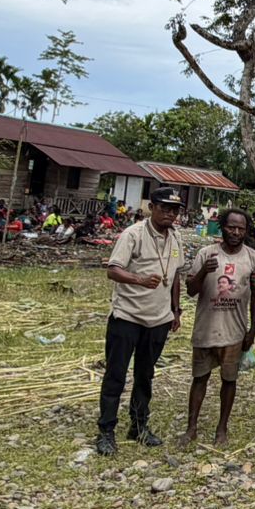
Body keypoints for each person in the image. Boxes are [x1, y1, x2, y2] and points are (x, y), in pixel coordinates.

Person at [94, 185, 188, 455]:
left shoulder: (175, 237)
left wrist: (176, 310)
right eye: (165, 208)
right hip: (128, 315)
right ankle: (106, 430)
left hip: (158, 318)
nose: (171, 214)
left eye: (175, 210)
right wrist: (140, 280)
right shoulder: (132, 234)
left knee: (145, 375)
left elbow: (175, 275)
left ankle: (138, 425)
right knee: (116, 374)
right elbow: (113, 270)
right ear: (152, 208)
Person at [183, 207, 255, 447]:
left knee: (229, 380)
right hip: (206, 329)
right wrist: (202, 273)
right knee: (199, 378)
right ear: (222, 227)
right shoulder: (206, 254)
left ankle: (222, 428)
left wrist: (253, 330)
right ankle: (191, 428)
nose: (236, 232)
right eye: (231, 227)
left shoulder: (253, 258)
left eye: (241, 228)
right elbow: (191, 290)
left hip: (235, 332)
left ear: (246, 231)